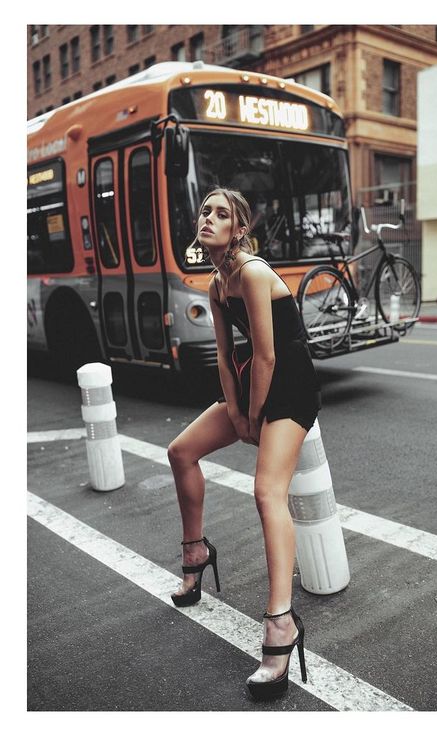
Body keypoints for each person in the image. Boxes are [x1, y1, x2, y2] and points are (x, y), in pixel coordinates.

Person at [166, 187, 321, 700]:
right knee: (180, 451)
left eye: (221, 213)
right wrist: (234, 411)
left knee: (266, 493)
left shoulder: (252, 273)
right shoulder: (216, 283)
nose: (208, 218)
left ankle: (280, 623)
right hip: (254, 383)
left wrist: (252, 418)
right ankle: (195, 554)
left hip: (290, 387)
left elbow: (271, 356)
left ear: (238, 228)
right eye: (205, 211)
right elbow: (225, 354)